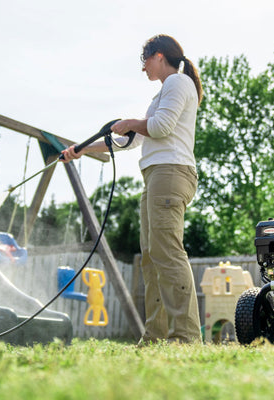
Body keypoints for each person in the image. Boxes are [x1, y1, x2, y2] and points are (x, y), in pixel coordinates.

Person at [61, 34, 203, 344]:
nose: (144, 68)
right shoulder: (162, 94)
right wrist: (82, 150)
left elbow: (159, 127)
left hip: (170, 172)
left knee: (167, 253)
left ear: (160, 56)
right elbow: (134, 139)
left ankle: (186, 337)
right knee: (151, 257)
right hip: (155, 175)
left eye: (146, 61)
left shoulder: (177, 84)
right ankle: (155, 336)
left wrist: (130, 122)